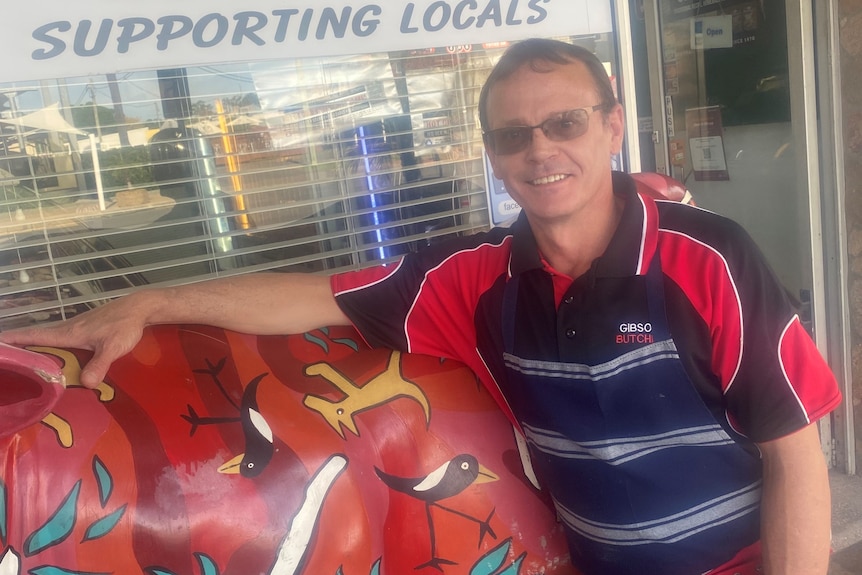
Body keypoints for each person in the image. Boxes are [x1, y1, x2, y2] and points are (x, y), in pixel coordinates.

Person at [0, 39, 841, 575]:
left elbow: (796, 455)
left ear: (612, 126)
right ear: (492, 154)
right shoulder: (471, 278)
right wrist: (152, 299)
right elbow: (311, 296)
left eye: (565, 122)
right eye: (514, 135)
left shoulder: (709, 256)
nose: (541, 148)